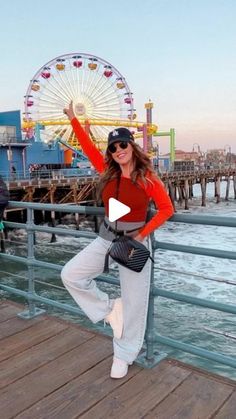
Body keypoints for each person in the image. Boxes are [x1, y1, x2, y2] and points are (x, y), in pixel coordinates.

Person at [61, 102, 174, 379]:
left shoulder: (148, 178)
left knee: (136, 303)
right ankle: (111, 308)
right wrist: (73, 119)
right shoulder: (107, 170)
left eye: (123, 144)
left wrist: (143, 233)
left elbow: (167, 209)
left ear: (132, 146)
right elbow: (87, 147)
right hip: (106, 238)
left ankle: (124, 354)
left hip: (134, 243)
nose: (118, 150)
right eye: (113, 147)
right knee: (71, 275)